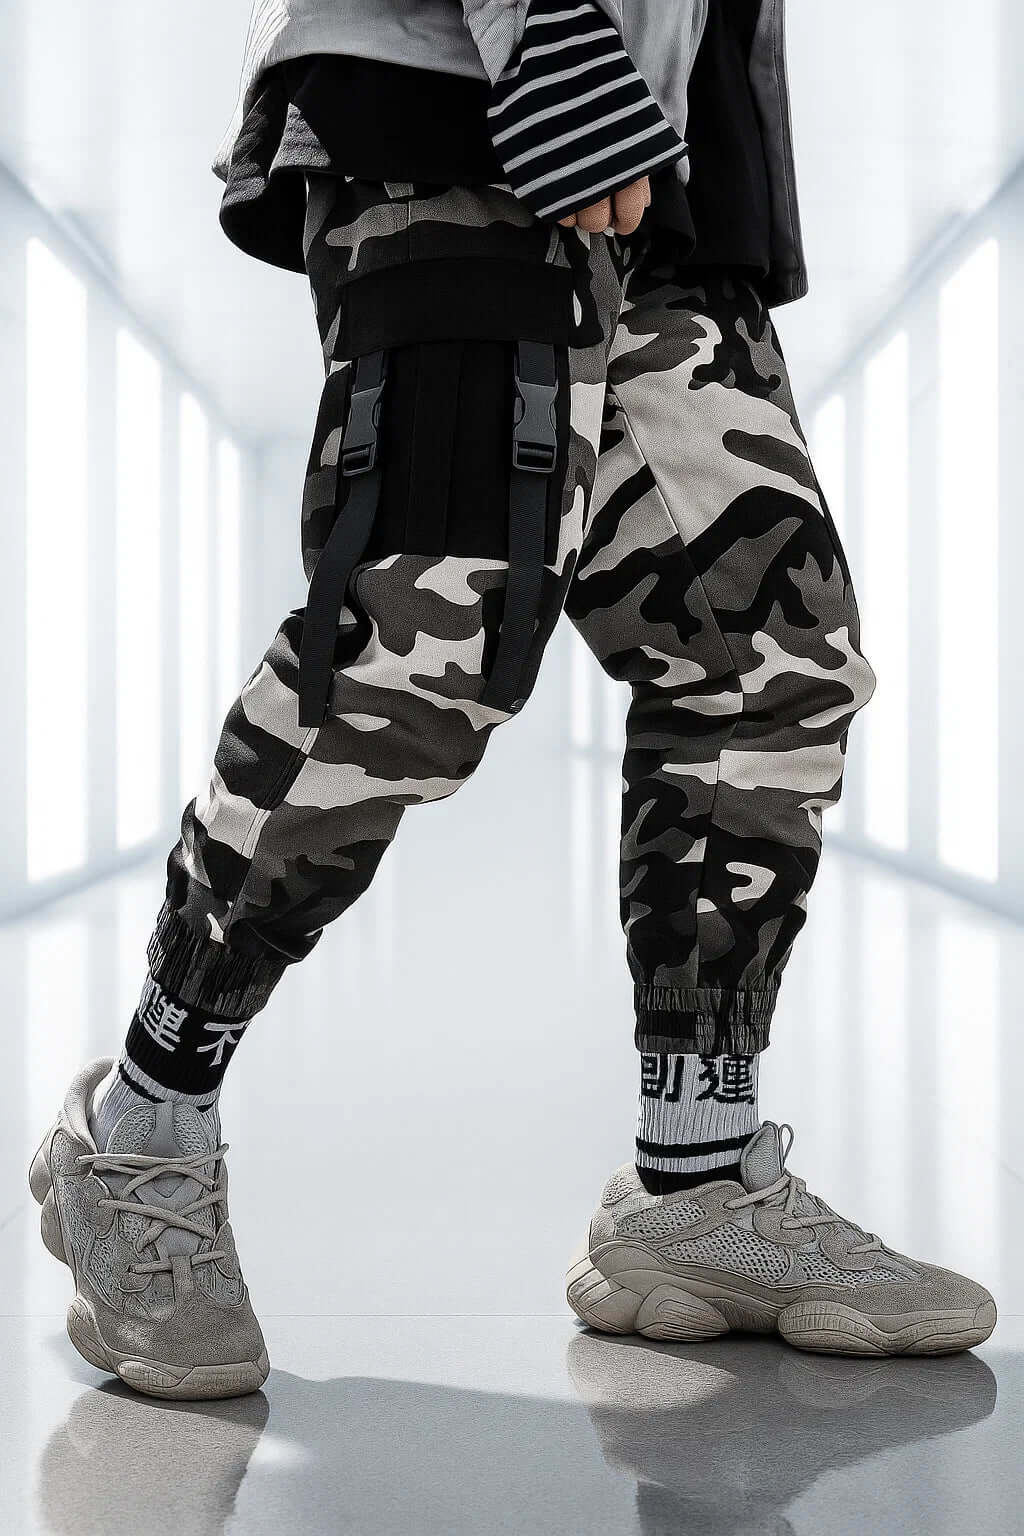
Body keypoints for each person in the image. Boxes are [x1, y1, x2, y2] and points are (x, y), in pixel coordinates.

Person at [30, 0, 995, 1401]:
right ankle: (142, 1126)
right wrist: (540, 28)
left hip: (659, 161)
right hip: (471, 104)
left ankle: (694, 1184)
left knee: (765, 662)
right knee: (417, 654)